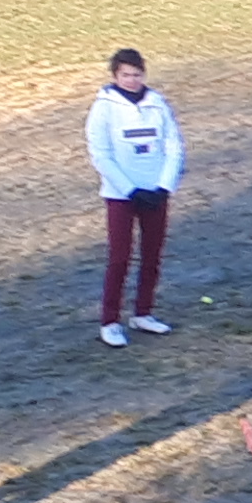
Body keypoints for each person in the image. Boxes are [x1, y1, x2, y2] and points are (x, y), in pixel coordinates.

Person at [87, 48, 183, 346]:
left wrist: (164, 186)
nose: (131, 80)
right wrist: (130, 190)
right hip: (121, 196)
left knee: (152, 255)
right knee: (120, 258)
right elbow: (101, 155)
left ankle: (143, 312)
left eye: (137, 74)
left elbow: (174, 146)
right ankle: (110, 321)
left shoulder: (157, 104)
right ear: (115, 75)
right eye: (125, 75)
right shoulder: (103, 108)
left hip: (155, 193)